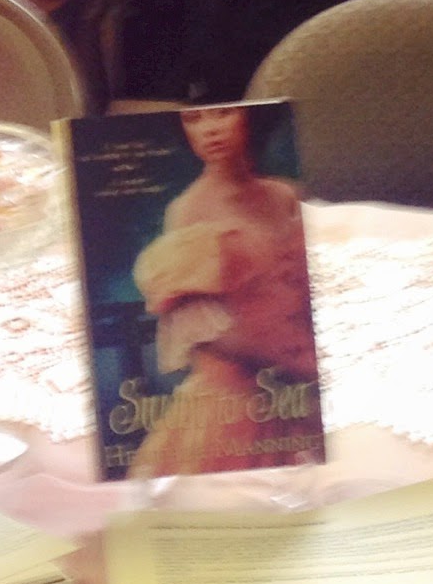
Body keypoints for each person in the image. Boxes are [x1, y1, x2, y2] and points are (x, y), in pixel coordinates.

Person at [128, 105, 323, 477]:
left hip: (300, 394)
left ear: (251, 117)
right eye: (194, 119)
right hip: (234, 400)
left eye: (223, 114)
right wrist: (291, 363)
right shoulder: (188, 211)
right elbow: (203, 333)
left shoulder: (285, 195)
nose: (209, 130)